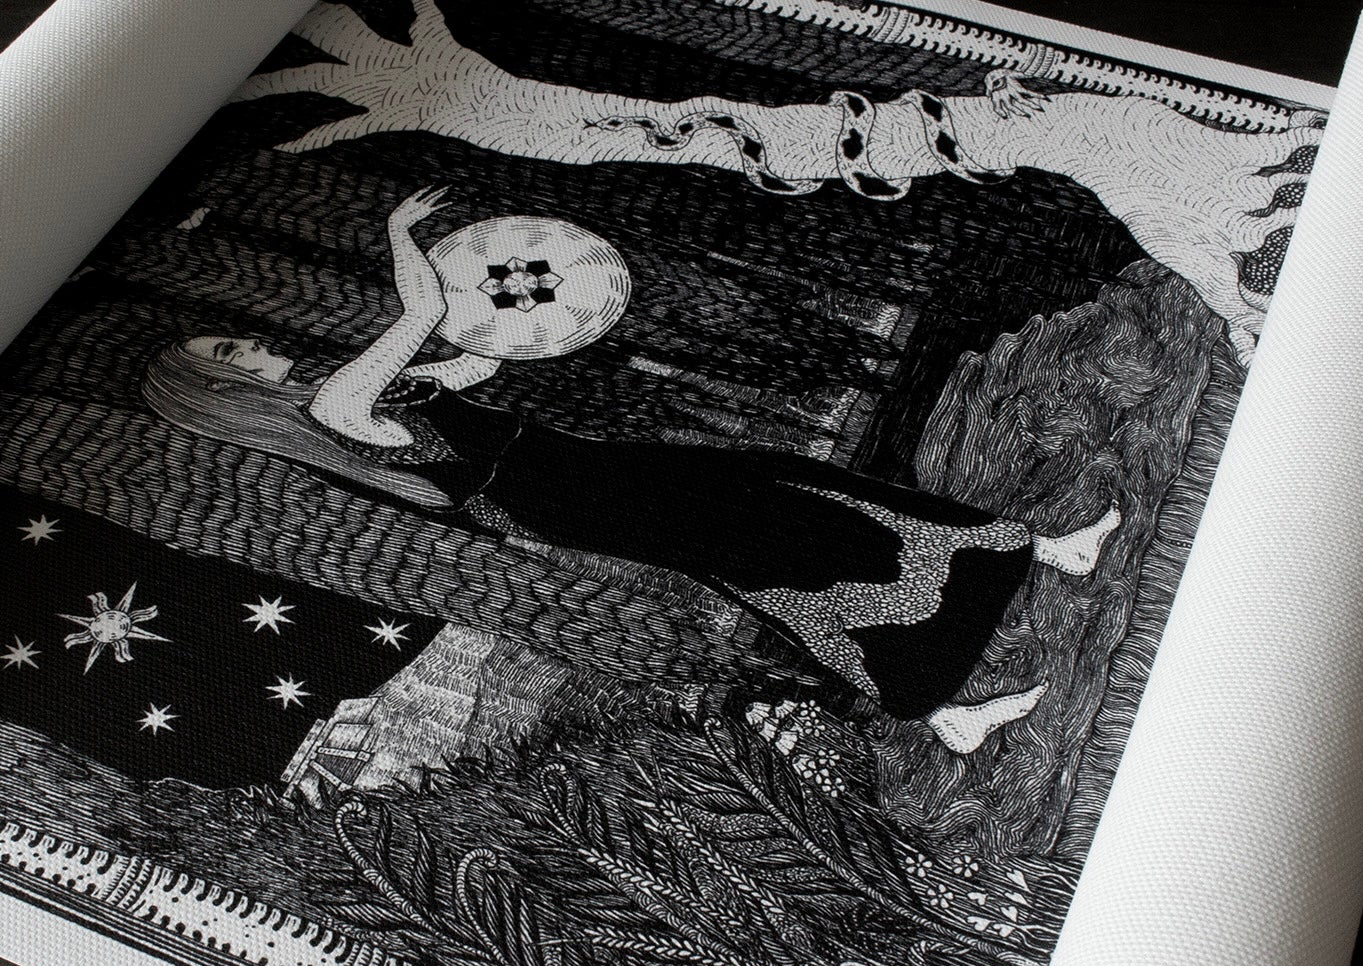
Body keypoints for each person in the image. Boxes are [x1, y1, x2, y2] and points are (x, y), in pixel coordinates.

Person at [142, 190, 1121, 754]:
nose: (249, 346)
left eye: (232, 338)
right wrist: (405, 240)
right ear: (224, 388)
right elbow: (418, 318)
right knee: (773, 546)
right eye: (227, 353)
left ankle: (1034, 555)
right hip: (563, 496)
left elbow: (468, 366)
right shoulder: (333, 406)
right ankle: (939, 704)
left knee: (784, 496)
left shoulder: (357, 393)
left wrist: (531, 300)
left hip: (575, 475)